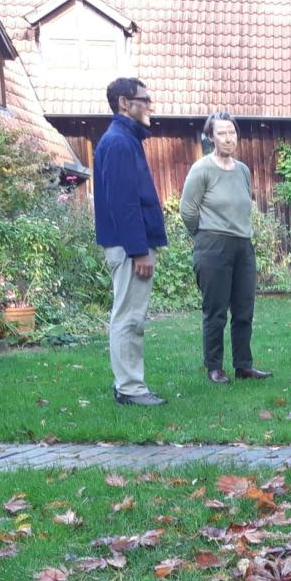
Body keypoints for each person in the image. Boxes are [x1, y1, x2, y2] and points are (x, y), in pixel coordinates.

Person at [179, 111, 271, 384]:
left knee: (244, 310)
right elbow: (187, 211)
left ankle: (244, 365)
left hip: (243, 246)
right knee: (216, 311)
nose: (228, 138)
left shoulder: (243, 170)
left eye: (232, 132)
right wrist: (205, 235)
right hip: (212, 245)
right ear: (211, 137)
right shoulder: (202, 170)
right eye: (222, 133)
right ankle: (214, 367)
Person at [93, 77, 168, 407]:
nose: (150, 105)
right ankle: (130, 389)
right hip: (129, 249)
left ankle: (129, 385)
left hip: (129, 246)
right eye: (145, 99)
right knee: (129, 317)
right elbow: (123, 202)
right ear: (125, 103)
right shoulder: (119, 142)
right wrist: (139, 250)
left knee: (130, 315)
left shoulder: (125, 139)